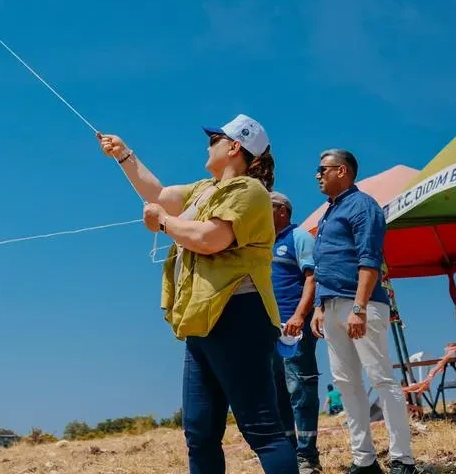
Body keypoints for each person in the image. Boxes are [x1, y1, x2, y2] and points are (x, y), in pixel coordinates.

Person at [98, 115, 298, 474]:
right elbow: (158, 195)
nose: (208, 144)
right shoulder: (206, 189)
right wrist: (124, 155)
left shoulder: (250, 191)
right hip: (201, 321)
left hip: (239, 316)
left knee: (261, 429)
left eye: (215, 139)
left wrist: (163, 223)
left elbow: (210, 239)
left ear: (235, 147)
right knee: (200, 433)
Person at [310, 148, 414, 474]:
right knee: (347, 384)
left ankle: (402, 459)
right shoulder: (329, 213)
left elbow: (369, 260)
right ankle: (364, 459)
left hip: (361, 306)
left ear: (342, 171)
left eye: (322, 169)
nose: (317, 175)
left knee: (382, 380)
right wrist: (317, 307)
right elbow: (325, 265)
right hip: (331, 308)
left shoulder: (363, 206)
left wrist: (359, 308)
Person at [269, 191, 321, 473]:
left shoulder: (299, 237)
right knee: (276, 391)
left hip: (293, 328)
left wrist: (300, 316)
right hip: (267, 331)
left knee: (300, 388)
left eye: (267, 207)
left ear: (282, 211)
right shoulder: (261, 243)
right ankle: (289, 453)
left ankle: (307, 455)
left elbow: (312, 279)